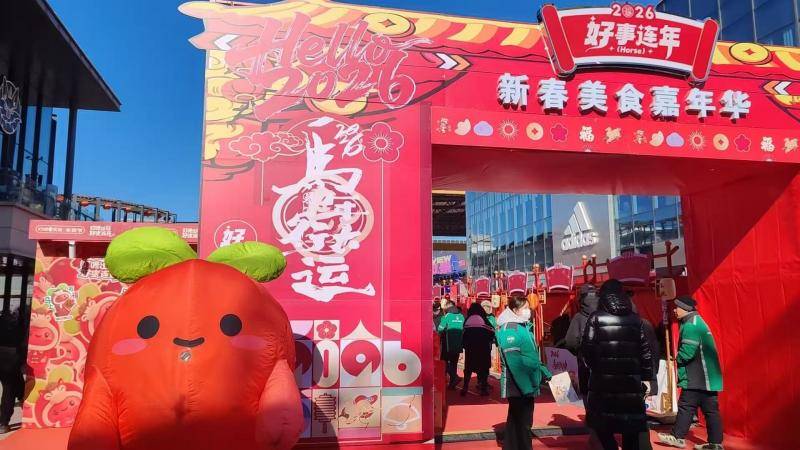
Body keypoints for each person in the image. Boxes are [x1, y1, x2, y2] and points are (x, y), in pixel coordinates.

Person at [581, 279, 653, 450]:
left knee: (603, 426)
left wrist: (597, 367)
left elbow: (587, 350)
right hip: (630, 381)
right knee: (631, 428)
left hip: (603, 382)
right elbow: (645, 351)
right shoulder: (635, 319)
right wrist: (647, 377)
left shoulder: (596, 318)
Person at [658, 296, 724, 450]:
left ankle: (677, 437)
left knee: (686, 406)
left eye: (677, 308)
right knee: (711, 411)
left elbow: (687, 352)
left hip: (697, 376)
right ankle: (715, 443)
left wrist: (676, 358)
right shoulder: (698, 322)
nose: (675, 310)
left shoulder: (690, 326)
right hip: (708, 377)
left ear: (685, 309)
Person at [496, 294, 551, 450]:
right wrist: (526, 387)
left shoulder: (523, 327)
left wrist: (544, 371)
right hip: (517, 384)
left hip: (526, 381)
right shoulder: (510, 329)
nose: (528, 311)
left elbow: (531, 355)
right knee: (523, 422)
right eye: (525, 308)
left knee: (516, 421)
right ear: (515, 310)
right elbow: (514, 362)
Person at [565, 284, 599, 395]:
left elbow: (570, 342)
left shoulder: (578, 318)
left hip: (585, 364)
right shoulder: (606, 315)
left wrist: (578, 352)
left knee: (587, 394)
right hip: (606, 365)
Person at [461, 303, 495, 396]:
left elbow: (462, 333)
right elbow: (492, 331)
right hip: (483, 348)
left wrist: (465, 345)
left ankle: (465, 388)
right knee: (483, 368)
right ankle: (483, 389)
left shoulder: (467, 320)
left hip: (470, 348)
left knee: (468, 369)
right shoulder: (484, 319)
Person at [0, 312, 22, 434]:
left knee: (15, 382)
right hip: (9, 353)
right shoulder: (15, 318)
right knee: (9, 388)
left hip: (9, 353)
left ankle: (23, 399)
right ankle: (3, 422)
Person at [437, 300, 464, 389]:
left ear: (447, 307)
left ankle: (453, 377)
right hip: (458, 343)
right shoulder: (461, 316)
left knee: (444, 362)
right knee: (454, 363)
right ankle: (452, 383)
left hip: (447, 343)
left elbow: (440, 329)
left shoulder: (447, 316)